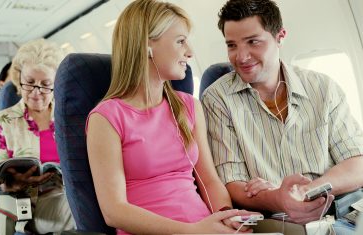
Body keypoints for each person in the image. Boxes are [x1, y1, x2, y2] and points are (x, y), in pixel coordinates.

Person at [86, 0, 257, 234]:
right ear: (147, 45)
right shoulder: (106, 118)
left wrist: (225, 215)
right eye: (180, 41)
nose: (190, 52)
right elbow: (114, 211)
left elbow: (209, 181)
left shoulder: (189, 106)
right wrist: (191, 231)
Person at [201, 0, 363, 232]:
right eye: (232, 45)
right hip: (279, 218)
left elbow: (357, 163)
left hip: (344, 208)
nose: (241, 56)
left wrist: (304, 192)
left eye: (253, 42)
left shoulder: (322, 88)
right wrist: (278, 197)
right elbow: (232, 183)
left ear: (280, 36)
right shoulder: (218, 99)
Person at [0, 39, 74, 234]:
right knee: (85, 210)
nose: (36, 93)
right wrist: (15, 182)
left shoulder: (69, 117)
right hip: (32, 204)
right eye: (29, 83)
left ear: (57, 84)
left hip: (71, 194)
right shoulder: (4, 120)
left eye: (45, 85)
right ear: (19, 79)